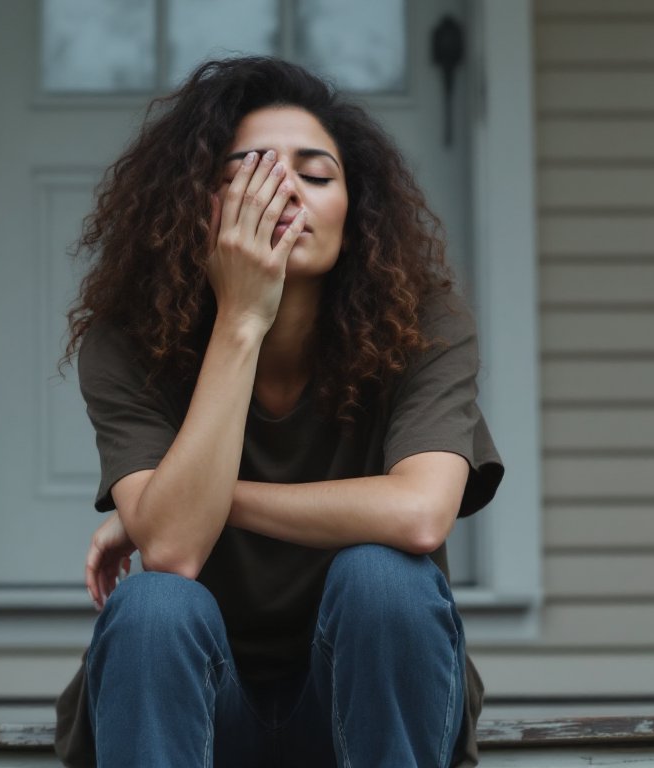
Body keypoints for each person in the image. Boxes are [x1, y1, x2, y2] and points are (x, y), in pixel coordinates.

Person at [54, 56, 505, 768]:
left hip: (367, 711)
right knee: (153, 606)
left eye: (317, 175)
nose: (286, 191)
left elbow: (420, 514)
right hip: (194, 713)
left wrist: (191, 500)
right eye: (249, 174)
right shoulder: (128, 342)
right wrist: (240, 320)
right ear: (195, 207)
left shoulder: (426, 323)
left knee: (384, 578)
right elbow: (172, 549)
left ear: (356, 215)